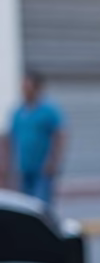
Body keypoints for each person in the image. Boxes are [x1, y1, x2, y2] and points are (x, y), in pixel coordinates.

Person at [8, 72, 65, 207]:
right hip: (23, 168)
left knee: (42, 205)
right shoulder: (18, 112)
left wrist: (53, 161)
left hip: (43, 168)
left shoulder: (49, 110)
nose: (24, 90)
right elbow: (11, 139)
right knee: (26, 205)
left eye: (27, 87)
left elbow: (60, 135)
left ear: (37, 88)